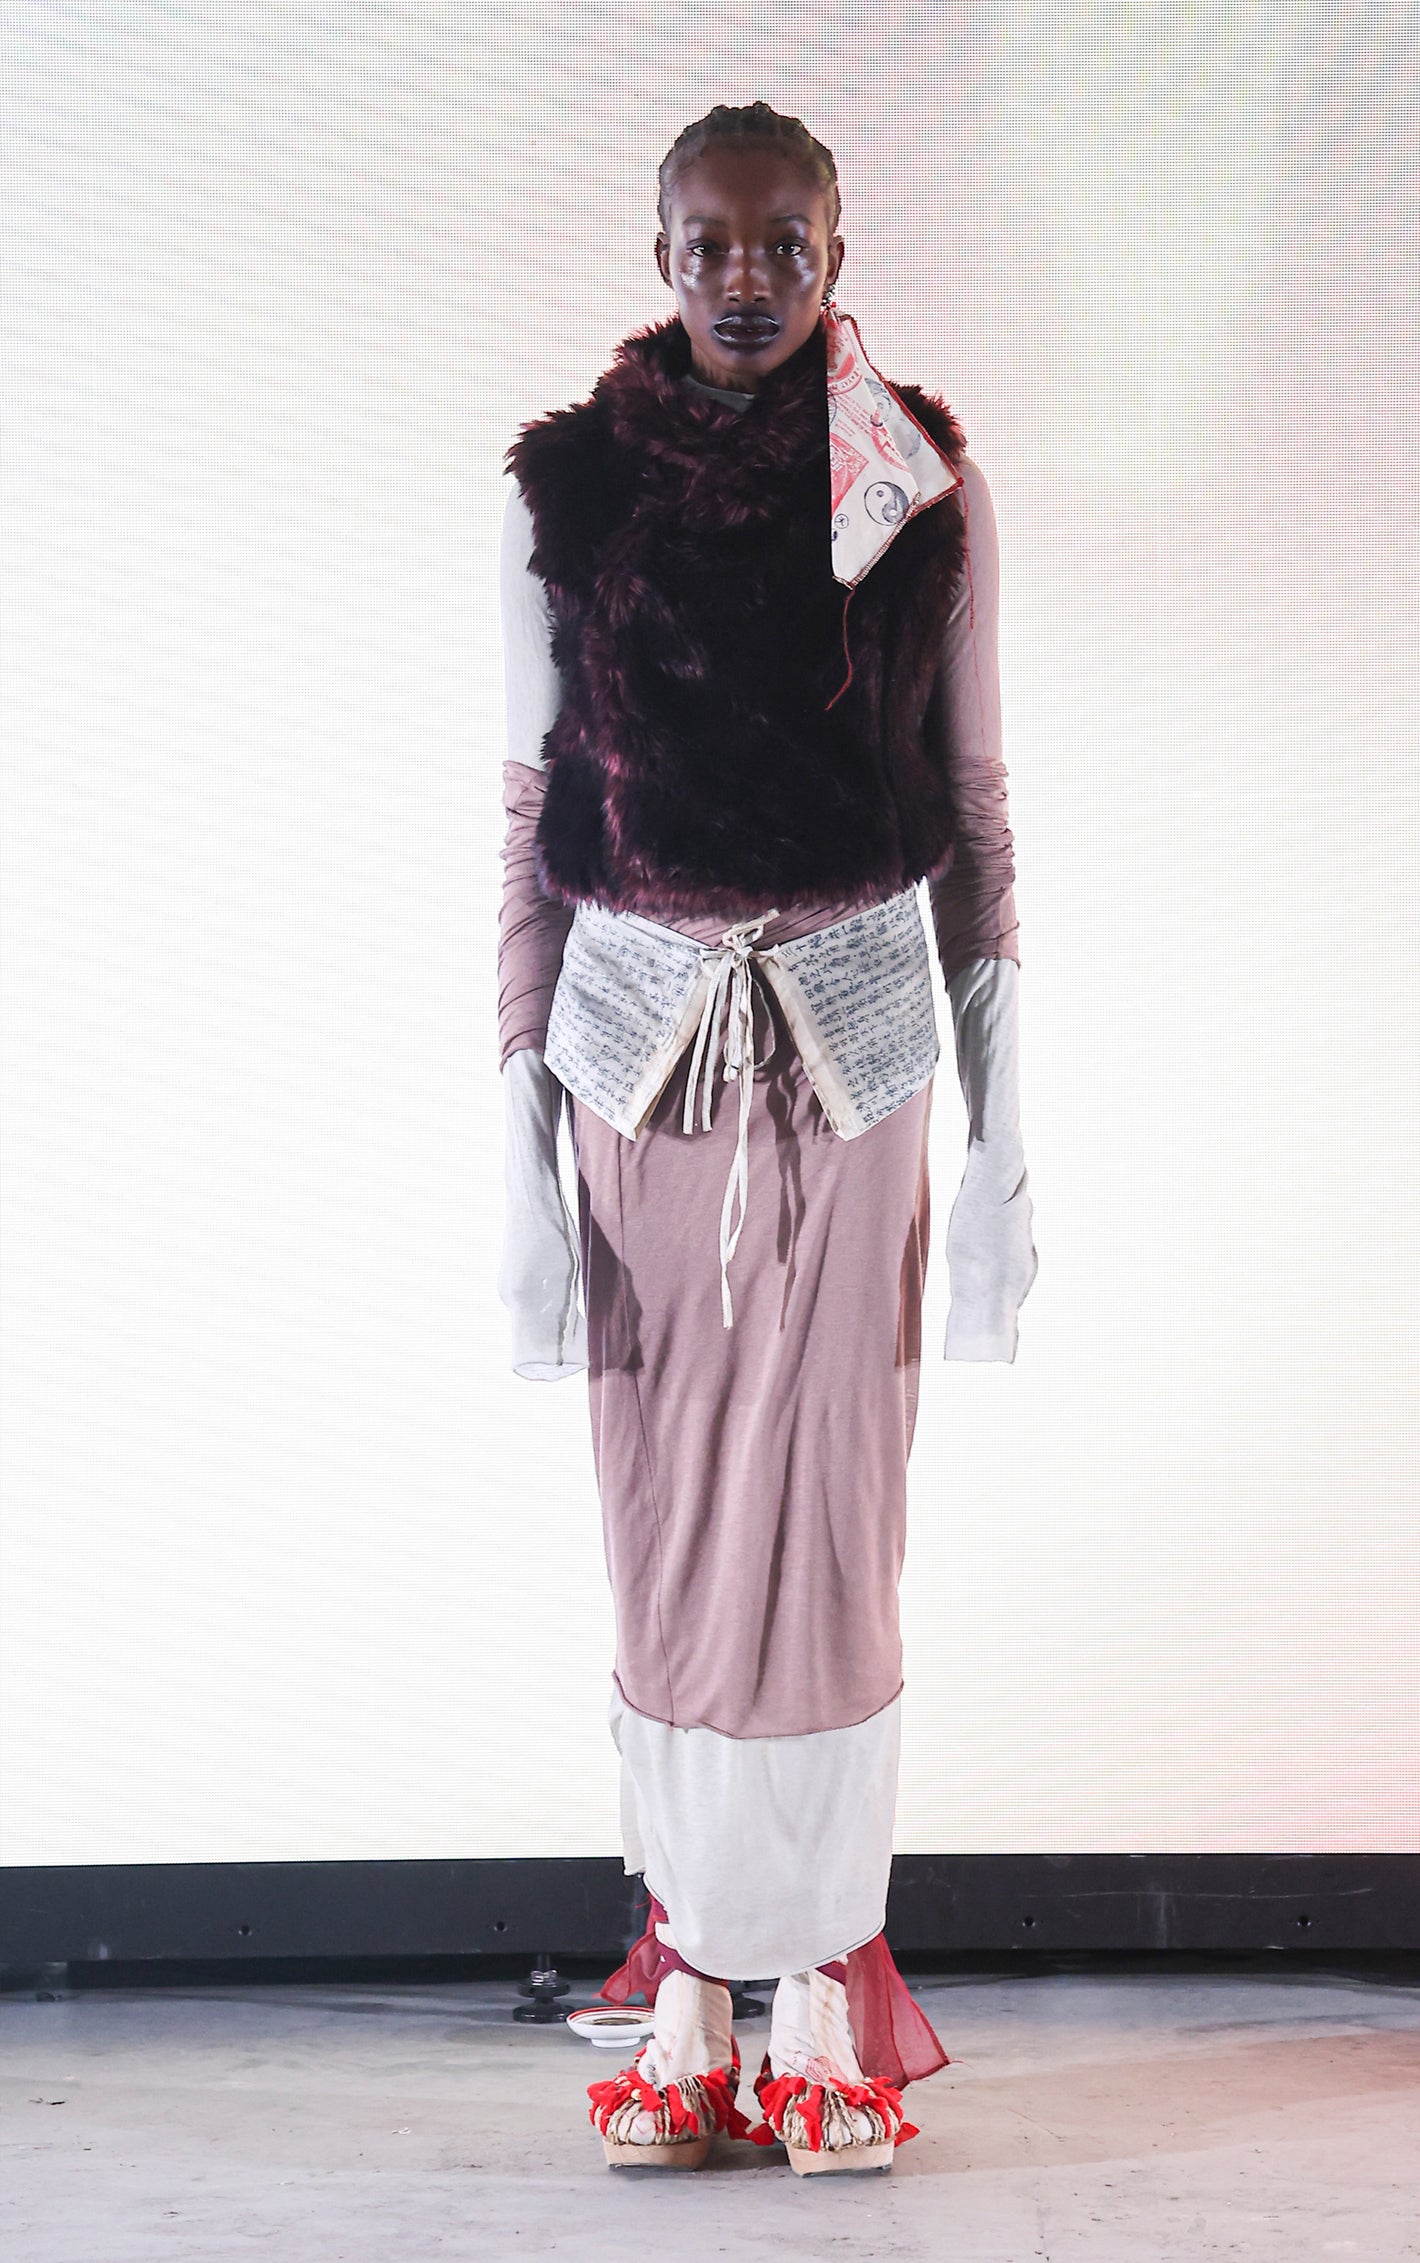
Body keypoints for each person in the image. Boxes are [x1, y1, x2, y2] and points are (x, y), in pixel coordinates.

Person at [496, 101, 1037, 2175]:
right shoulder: (568, 489)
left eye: (783, 244)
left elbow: (973, 820)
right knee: (662, 1523)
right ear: (660, 253)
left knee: (831, 1516)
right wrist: (514, 1160)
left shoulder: (917, 482)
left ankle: (814, 1977)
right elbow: (529, 831)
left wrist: (1004, 1140)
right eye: (711, 243)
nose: (746, 277)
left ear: (832, 252)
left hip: (859, 1051)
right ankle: (693, 1980)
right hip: (639, 1064)